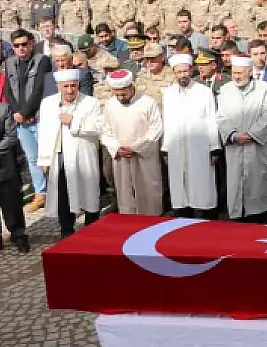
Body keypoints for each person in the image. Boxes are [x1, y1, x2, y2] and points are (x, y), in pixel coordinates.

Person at [37, 68, 103, 239]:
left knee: (89, 193)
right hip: (59, 156)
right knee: (63, 194)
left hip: (84, 155)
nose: (69, 90)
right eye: (65, 86)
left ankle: (92, 231)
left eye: (73, 86)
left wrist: (74, 121)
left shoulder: (91, 103)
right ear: (58, 86)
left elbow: (99, 127)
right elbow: (44, 131)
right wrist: (44, 159)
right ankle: (66, 231)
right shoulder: (48, 103)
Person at [216, 56, 267, 223]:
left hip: (257, 147)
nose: (236, 76)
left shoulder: (265, 89)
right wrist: (233, 135)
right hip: (234, 145)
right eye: (234, 73)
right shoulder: (225, 90)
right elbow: (221, 117)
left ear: (250, 72)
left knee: (258, 184)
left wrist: (251, 135)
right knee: (236, 184)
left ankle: (261, 217)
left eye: (240, 73)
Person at [161, 54, 220, 219]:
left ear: (191, 70)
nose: (183, 75)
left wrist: (214, 147)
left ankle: (206, 220)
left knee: (202, 186)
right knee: (179, 187)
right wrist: (165, 148)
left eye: (185, 71)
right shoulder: (169, 93)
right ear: (174, 73)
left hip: (200, 147)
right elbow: (167, 121)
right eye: (179, 72)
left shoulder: (204, 92)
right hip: (176, 147)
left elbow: (211, 120)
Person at [101, 69, 164, 216]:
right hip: (121, 157)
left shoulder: (147, 103)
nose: (120, 98)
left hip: (144, 156)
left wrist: (136, 148)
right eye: (117, 95)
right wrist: (117, 148)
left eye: (123, 94)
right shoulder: (110, 105)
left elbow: (156, 129)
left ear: (131, 87)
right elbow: (106, 130)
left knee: (149, 194)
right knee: (125, 195)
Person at [3, 28, 51, 212]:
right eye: (16, 46)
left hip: (38, 118)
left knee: (47, 157)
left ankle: (57, 193)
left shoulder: (42, 60)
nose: (21, 48)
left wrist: (26, 112)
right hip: (21, 120)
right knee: (32, 159)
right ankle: (41, 194)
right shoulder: (10, 63)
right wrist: (17, 113)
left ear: (31, 44)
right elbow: (8, 90)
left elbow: (39, 89)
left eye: (24, 44)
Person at [0, 96, 29, 252]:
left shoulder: (4, 109)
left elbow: (11, 137)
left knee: (12, 204)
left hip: (5, 165)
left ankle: (18, 235)